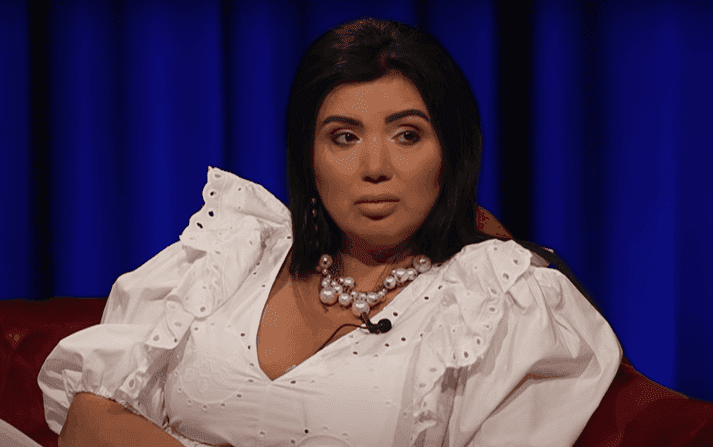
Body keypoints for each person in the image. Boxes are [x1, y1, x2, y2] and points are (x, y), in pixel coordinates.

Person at [37, 17, 622, 447]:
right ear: (309, 159)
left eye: (407, 135)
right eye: (344, 136)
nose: (375, 167)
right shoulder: (231, 253)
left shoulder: (500, 305)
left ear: (452, 152)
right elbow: (88, 420)